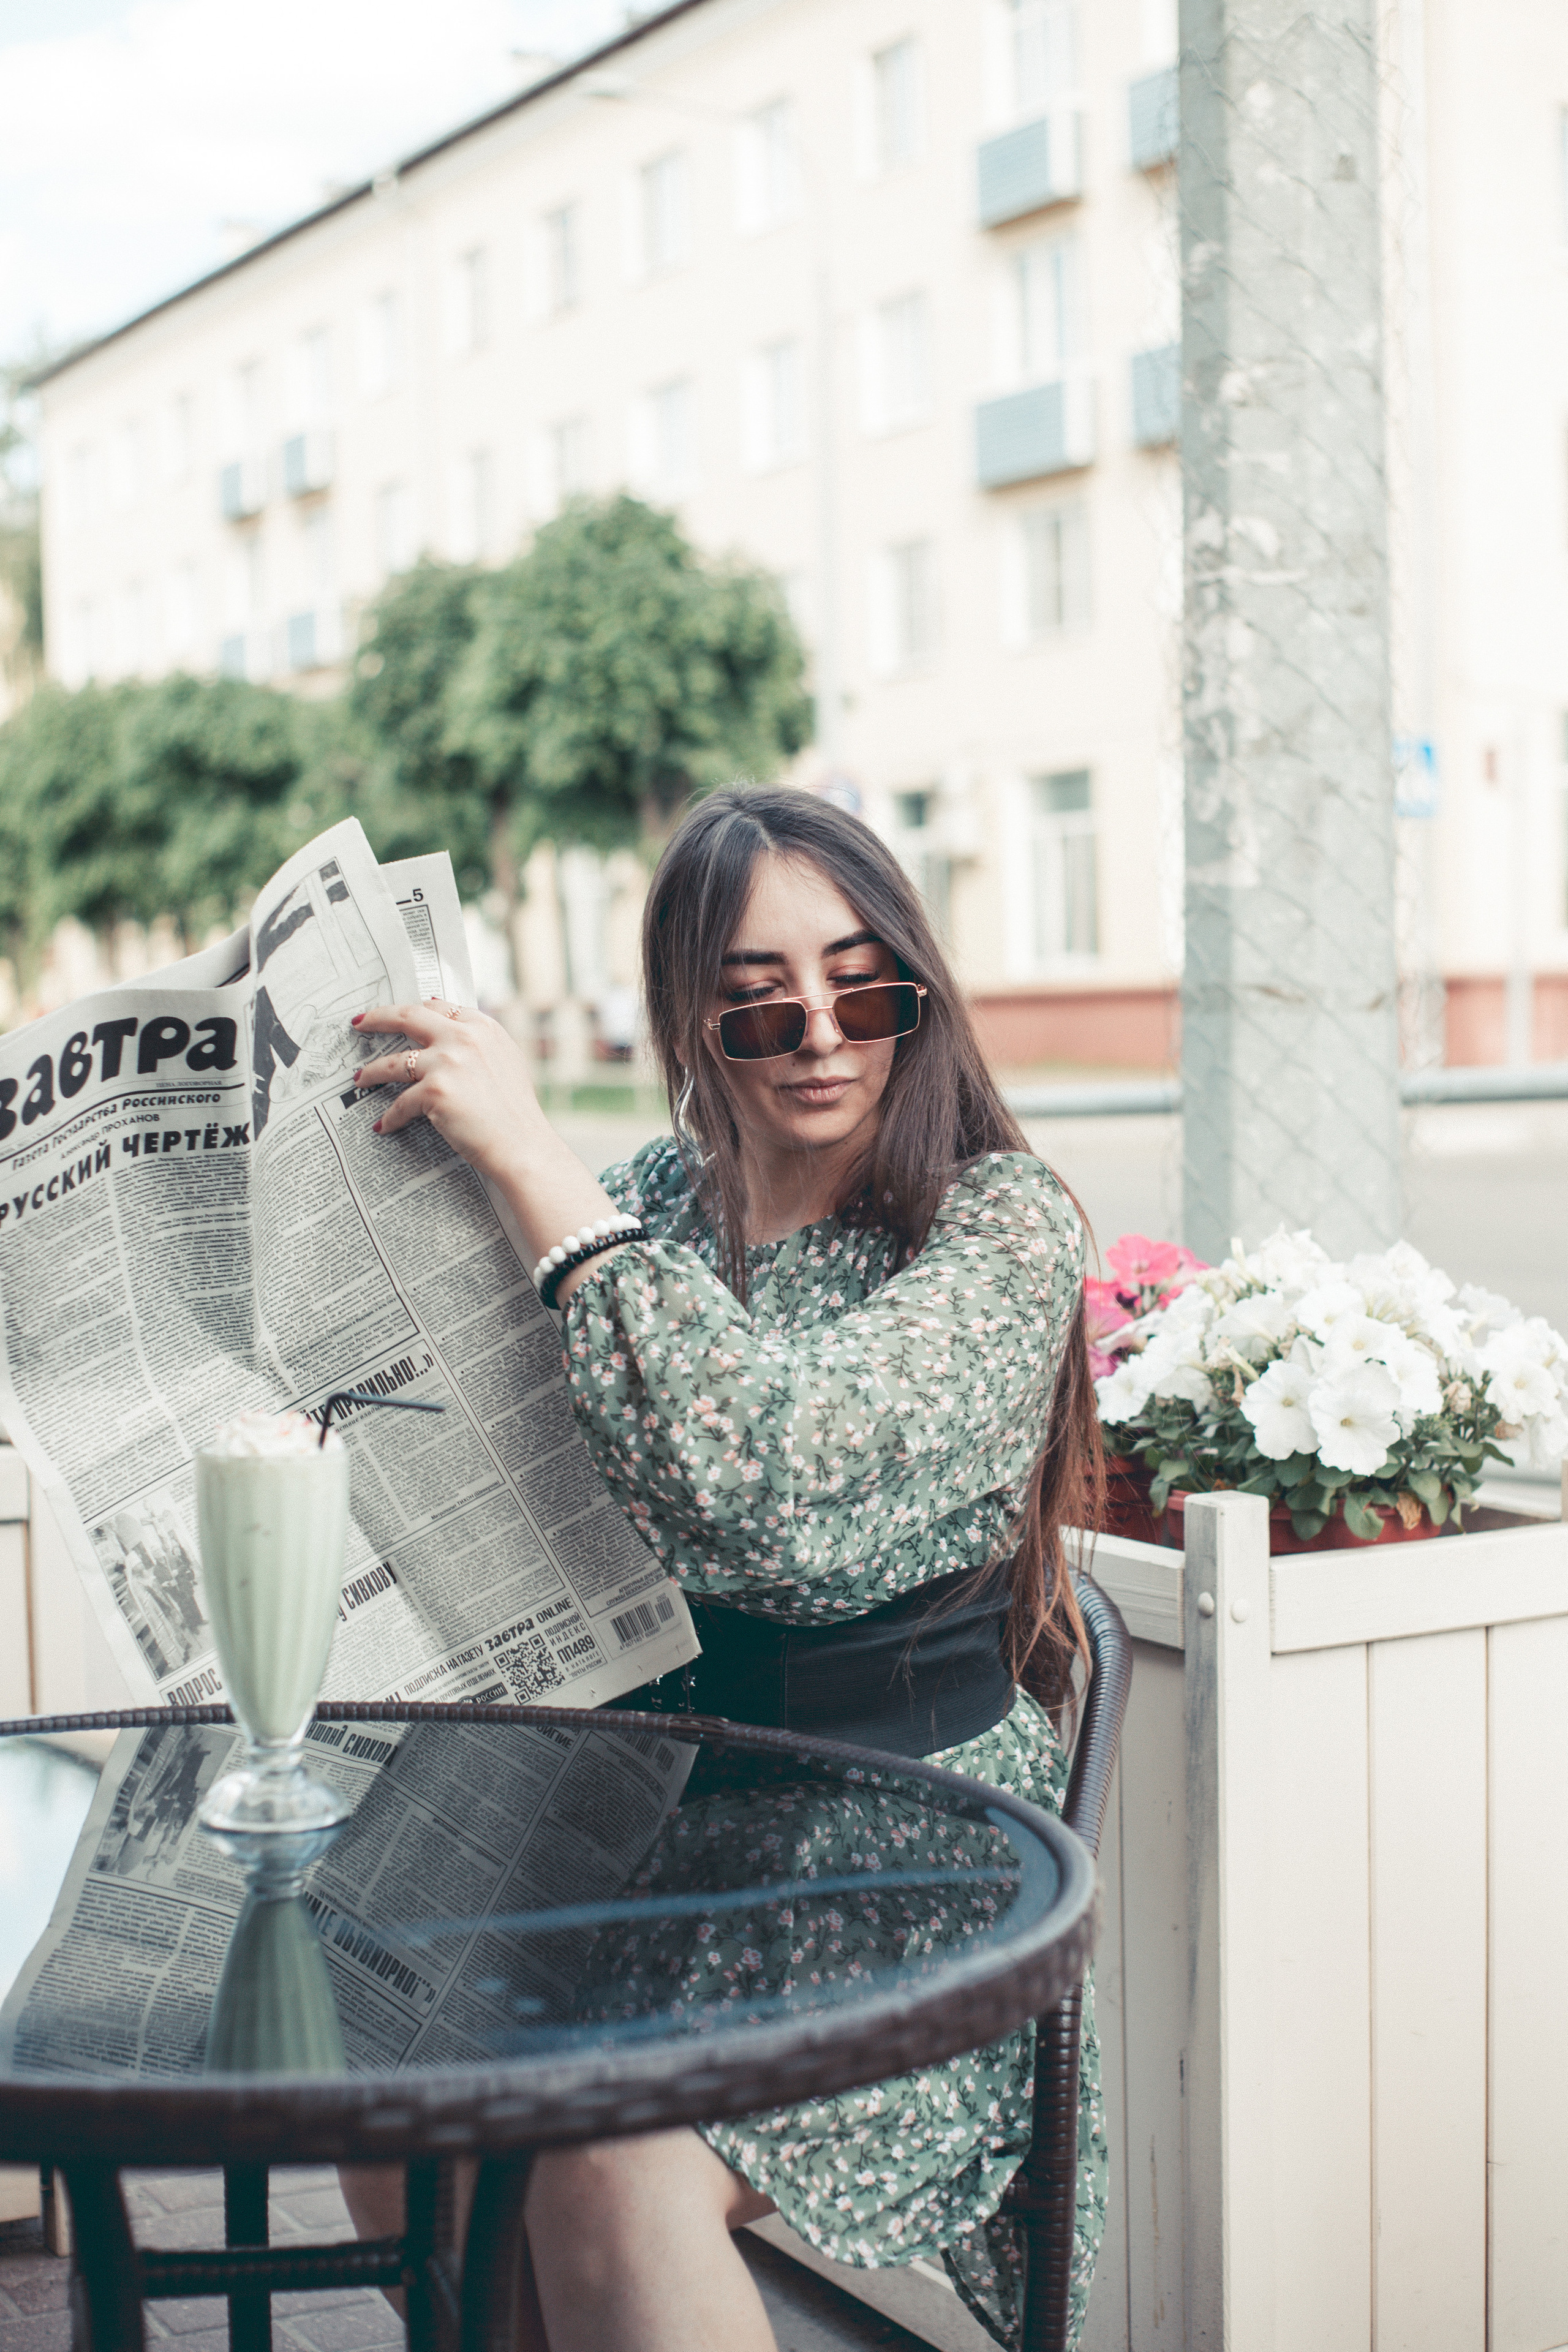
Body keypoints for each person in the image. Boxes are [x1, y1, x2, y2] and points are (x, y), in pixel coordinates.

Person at [341, 785, 1106, 2352]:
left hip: (904, 1853)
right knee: (388, 2075)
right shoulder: (654, 1211)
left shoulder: (994, 1223)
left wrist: (534, 1171)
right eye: (759, 1006)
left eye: (863, 984)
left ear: (918, 989)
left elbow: (775, 1487)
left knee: (608, 2156)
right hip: (656, 1824)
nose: (823, 1035)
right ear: (693, 1025)